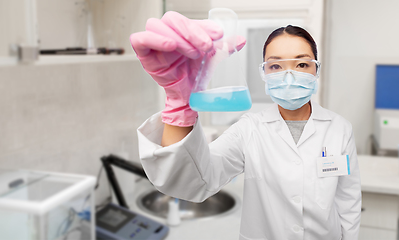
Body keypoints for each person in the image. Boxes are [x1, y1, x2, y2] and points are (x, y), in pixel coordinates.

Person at [130, 11, 361, 240]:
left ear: (316, 70)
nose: (289, 75)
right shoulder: (249, 129)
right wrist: (179, 104)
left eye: (301, 64)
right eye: (276, 66)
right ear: (264, 73)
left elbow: (348, 202)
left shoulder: (340, 129)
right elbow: (193, 183)